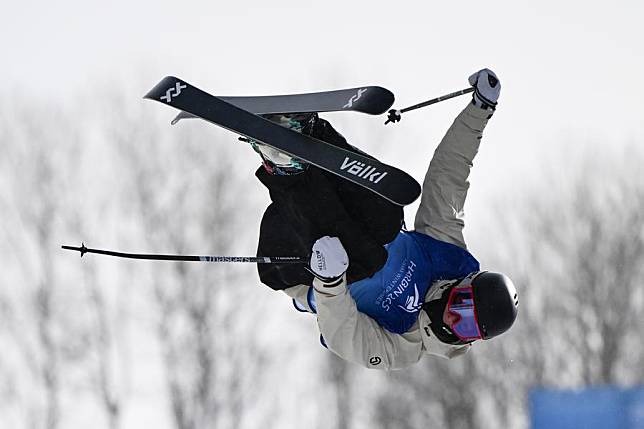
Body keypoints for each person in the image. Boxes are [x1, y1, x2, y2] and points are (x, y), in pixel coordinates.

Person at [249, 69, 519, 370]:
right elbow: (449, 177)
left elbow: (343, 335)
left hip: (296, 258)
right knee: (389, 212)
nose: (454, 319)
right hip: (333, 207)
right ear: (464, 284)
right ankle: (308, 134)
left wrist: (330, 282)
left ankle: (284, 166)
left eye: (465, 327)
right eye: (462, 306)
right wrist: (479, 111)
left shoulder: (403, 346)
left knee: (369, 259)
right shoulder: (447, 257)